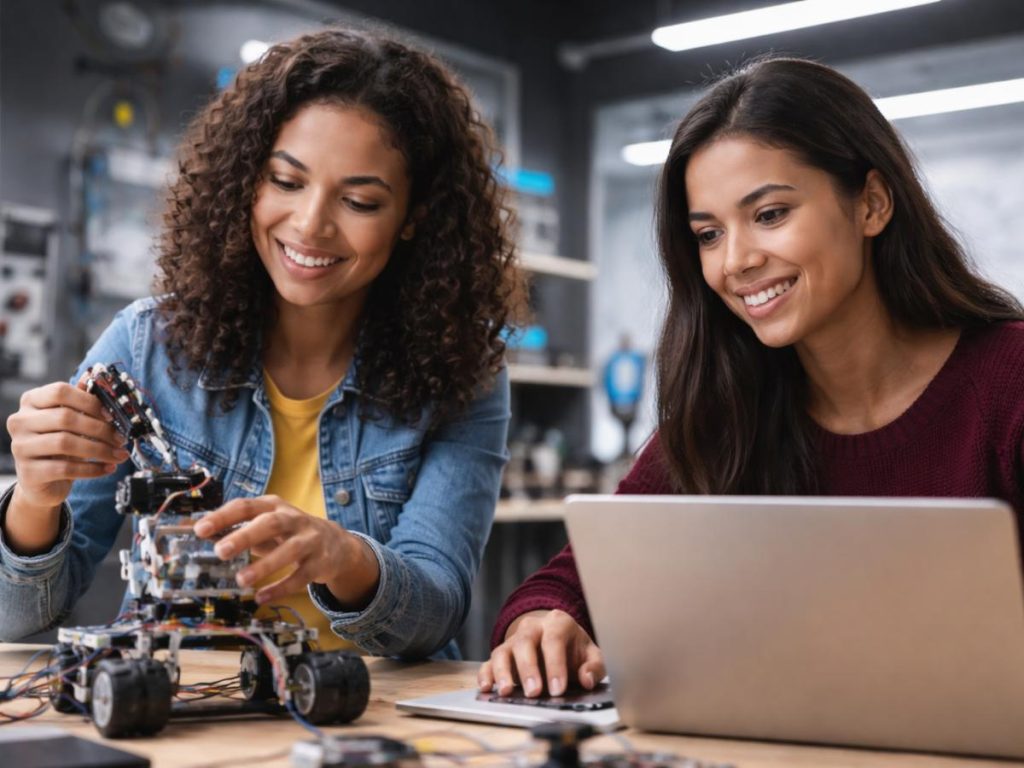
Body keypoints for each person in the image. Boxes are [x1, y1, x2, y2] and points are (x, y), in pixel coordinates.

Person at [479, 56, 1024, 697]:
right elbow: (571, 581)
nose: (735, 261)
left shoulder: (1008, 379)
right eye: (709, 234)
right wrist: (543, 623)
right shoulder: (727, 409)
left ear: (872, 204)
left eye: (769, 215)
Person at [1, 26, 521, 660]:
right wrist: (35, 498)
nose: (310, 224)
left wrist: (343, 556)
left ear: (415, 217)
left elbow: (435, 609)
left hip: (369, 707)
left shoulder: (462, 369)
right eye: (286, 181)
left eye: (360, 201)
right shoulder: (144, 347)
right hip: (182, 702)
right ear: (247, 178)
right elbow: (14, 617)